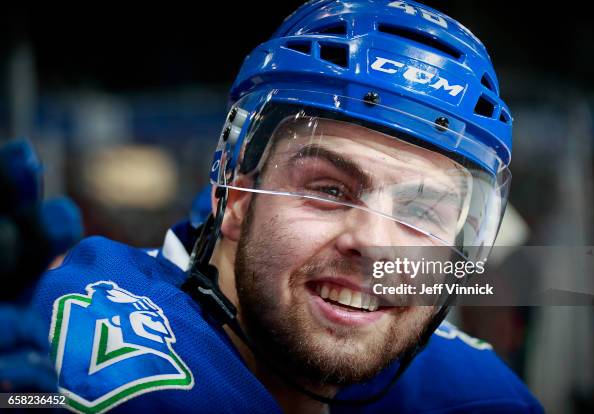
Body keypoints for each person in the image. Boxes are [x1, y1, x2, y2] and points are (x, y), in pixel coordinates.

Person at [28, 1, 543, 413]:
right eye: (329, 189)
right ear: (233, 196)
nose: (371, 241)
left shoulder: (474, 391)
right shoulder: (86, 344)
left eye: (420, 213)